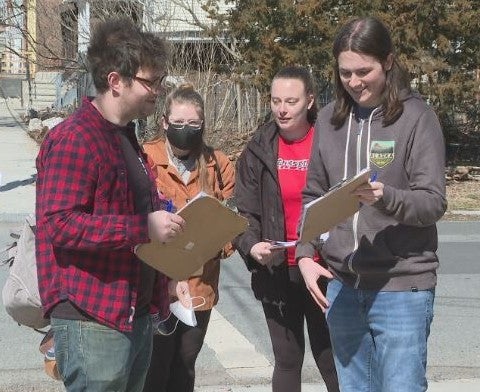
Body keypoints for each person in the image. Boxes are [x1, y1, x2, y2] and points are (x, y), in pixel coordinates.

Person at [295, 16, 447, 392]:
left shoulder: (417, 117)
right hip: (343, 287)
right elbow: (313, 195)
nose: (354, 81)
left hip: (402, 287)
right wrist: (303, 253)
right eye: (345, 72)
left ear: (389, 62)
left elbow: (433, 202)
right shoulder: (329, 119)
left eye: (364, 71)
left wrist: (387, 197)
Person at [35, 18, 186, 392]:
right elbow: (58, 224)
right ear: (116, 81)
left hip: (133, 311)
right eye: (151, 82)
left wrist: (165, 278)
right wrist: (143, 227)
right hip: (92, 316)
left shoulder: (125, 138)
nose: (159, 91)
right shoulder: (75, 139)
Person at [233, 66, 339, 392]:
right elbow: (245, 213)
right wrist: (252, 246)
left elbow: (346, 202)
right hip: (277, 271)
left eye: (291, 101)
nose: (282, 108)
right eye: (276, 100)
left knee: (331, 357)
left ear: (309, 100)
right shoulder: (257, 149)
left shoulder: (330, 141)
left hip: (324, 268)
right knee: (288, 359)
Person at [142, 83, 235, 392]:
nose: (185, 129)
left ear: (203, 124)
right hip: (155, 286)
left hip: (199, 286)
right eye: (178, 123)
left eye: (193, 124)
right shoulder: (146, 158)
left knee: (184, 368)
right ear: (164, 122)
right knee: (154, 371)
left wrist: (217, 242)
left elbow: (233, 223)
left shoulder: (218, 164)